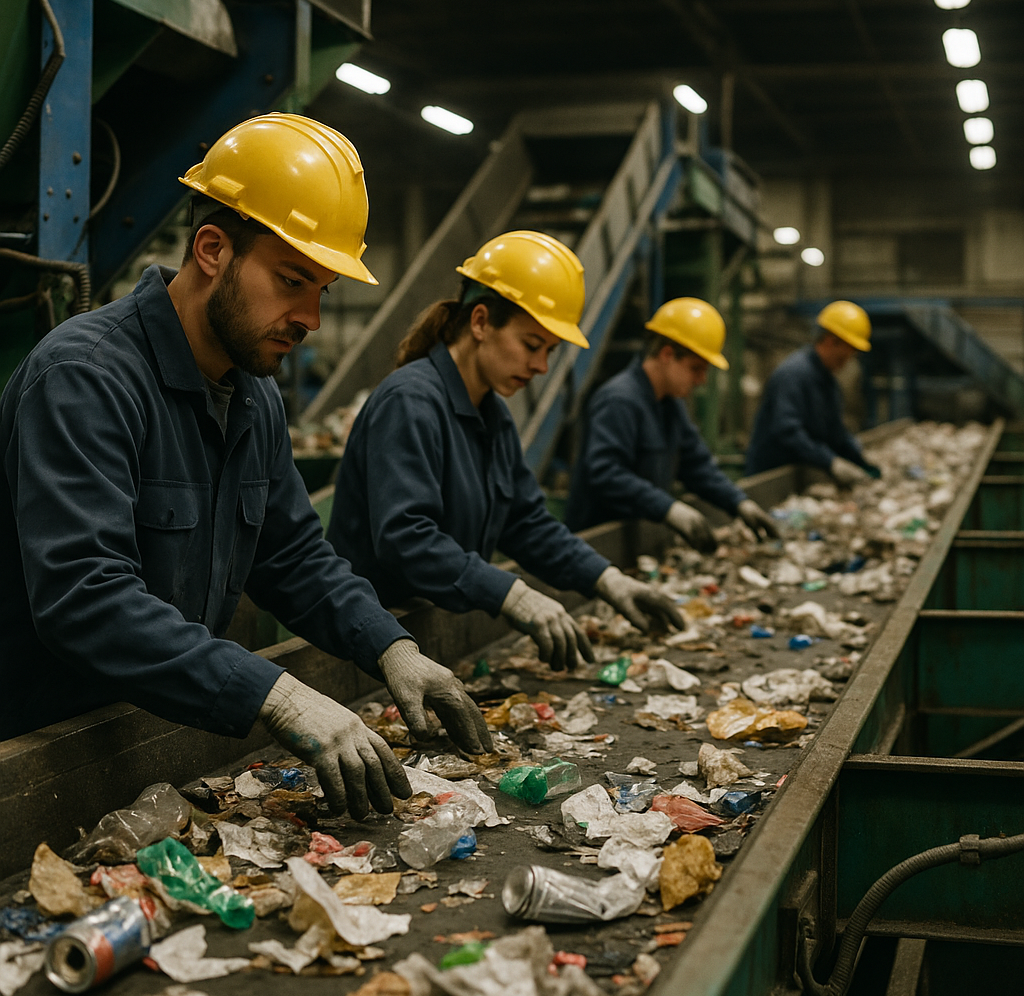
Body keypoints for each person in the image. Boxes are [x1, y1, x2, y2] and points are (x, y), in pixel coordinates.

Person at [0, 113, 491, 821]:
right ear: (211, 250)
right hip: (35, 757)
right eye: (293, 280)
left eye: (321, 289)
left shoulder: (253, 396)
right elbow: (86, 596)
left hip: (152, 742)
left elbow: (293, 557)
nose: (312, 317)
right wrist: (276, 693)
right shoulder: (84, 379)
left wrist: (391, 647)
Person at [326, 230, 685, 673]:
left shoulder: (493, 415)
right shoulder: (411, 402)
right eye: (532, 345)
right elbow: (407, 540)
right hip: (371, 649)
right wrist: (513, 595)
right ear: (480, 322)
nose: (541, 367)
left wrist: (607, 579)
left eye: (549, 351)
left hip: (428, 638)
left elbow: (526, 522)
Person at [565, 297, 778, 552]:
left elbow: (696, 465)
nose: (701, 380)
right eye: (696, 368)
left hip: (637, 541)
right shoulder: (619, 401)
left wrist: (739, 503)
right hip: (598, 544)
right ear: (667, 354)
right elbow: (607, 474)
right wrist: (669, 509)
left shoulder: (670, 403)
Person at [745, 300, 881, 484]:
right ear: (832, 341)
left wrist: (861, 460)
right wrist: (830, 461)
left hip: (798, 476)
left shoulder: (828, 382)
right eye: (850, 350)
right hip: (771, 476)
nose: (851, 358)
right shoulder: (794, 375)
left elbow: (836, 432)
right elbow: (787, 431)